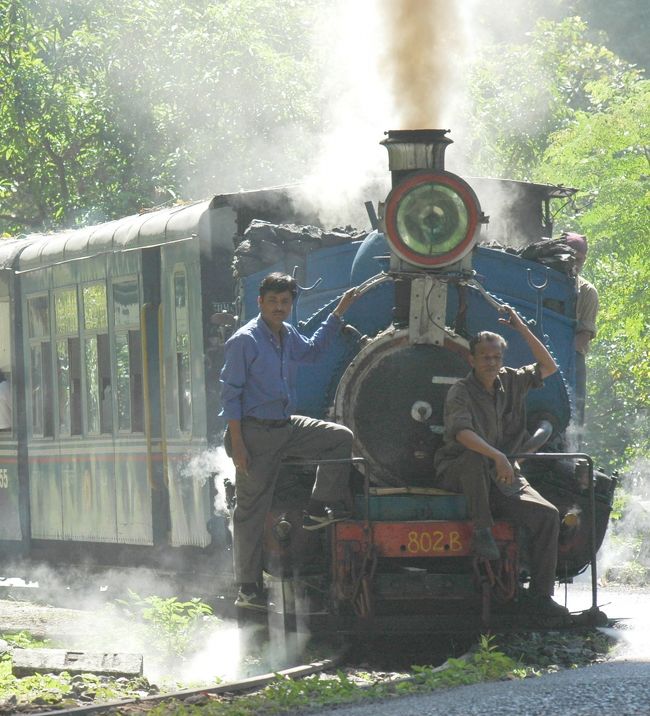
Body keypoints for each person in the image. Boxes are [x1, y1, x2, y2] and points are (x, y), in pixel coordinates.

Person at [220, 272, 359, 611]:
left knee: (339, 438)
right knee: (250, 511)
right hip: (254, 433)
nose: (279, 308)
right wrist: (238, 445)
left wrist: (337, 314)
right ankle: (248, 589)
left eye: (285, 302)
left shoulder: (286, 334)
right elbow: (230, 396)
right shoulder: (245, 340)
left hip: (285, 426)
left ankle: (316, 508)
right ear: (260, 302)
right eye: (273, 302)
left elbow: (312, 352)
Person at [433, 305, 568, 617]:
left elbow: (548, 366)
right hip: (460, 471)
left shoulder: (513, 381)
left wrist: (521, 327)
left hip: (502, 475)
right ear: (472, 359)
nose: (491, 362)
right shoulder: (461, 391)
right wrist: (497, 456)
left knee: (548, 516)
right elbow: (462, 433)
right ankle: (482, 530)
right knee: (473, 456)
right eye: (485, 357)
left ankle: (540, 598)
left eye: (496, 357)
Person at [561, 232, 598, 426]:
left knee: (573, 417)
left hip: (572, 362)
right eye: (571, 258)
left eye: (580, 260)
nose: (575, 263)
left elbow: (583, 337)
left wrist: (556, 361)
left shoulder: (587, 292)